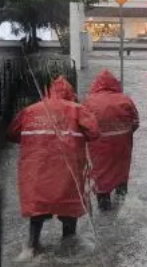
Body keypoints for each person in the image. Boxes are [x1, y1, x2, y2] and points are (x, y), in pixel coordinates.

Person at [8, 76, 100, 256]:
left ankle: (31, 248)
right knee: (68, 214)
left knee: (38, 211)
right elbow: (95, 132)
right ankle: (66, 250)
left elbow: (11, 133)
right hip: (67, 175)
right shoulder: (77, 110)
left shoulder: (30, 111)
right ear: (70, 93)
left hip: (36, 175)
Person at [83, 69, 139, 212]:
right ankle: (122, 205)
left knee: (101, 178)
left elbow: (83, 126)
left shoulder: (89, 101)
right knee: (121, 175)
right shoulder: (125, 99)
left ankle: (104, 208)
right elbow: (135, 122)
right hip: (122, 147)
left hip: (98, 148)